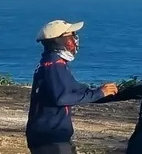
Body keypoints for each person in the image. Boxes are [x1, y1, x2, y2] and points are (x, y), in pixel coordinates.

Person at [26, 20, 121, 154]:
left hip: (53, 135)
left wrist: (107, 93)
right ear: (60, 40)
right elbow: (62, 98)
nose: (76, 39)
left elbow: (77, 90)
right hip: (51, 137)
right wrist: (98, 93)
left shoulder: (54, 63)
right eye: (72, 34)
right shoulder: (54, 65)